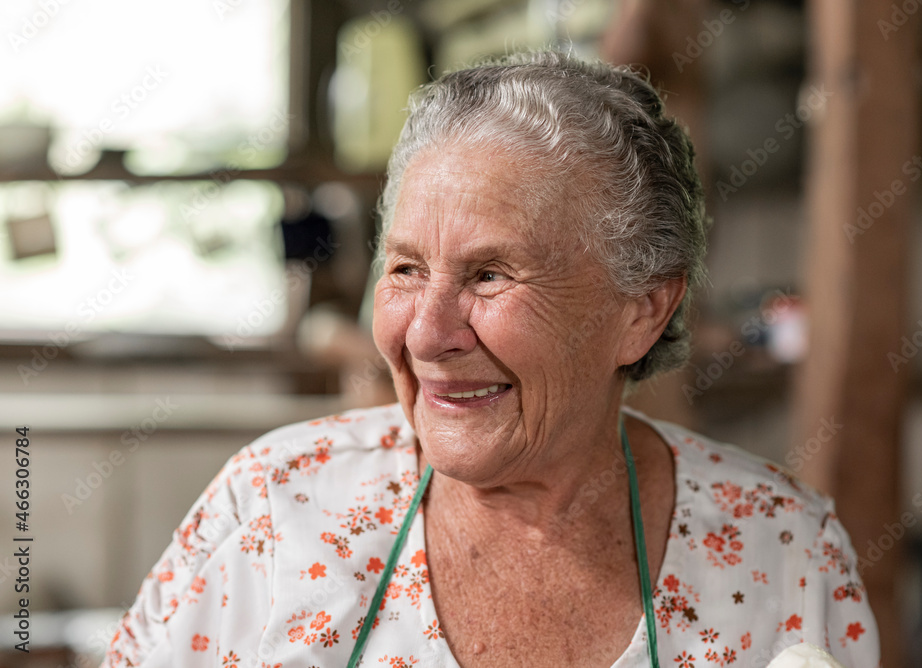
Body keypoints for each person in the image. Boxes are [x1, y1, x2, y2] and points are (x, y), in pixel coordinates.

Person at [102, 51, 879, 668]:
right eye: (405, 269)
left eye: (490, 276)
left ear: (642, 311)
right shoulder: (271, 512)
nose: (426, 333)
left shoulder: (783, 550)